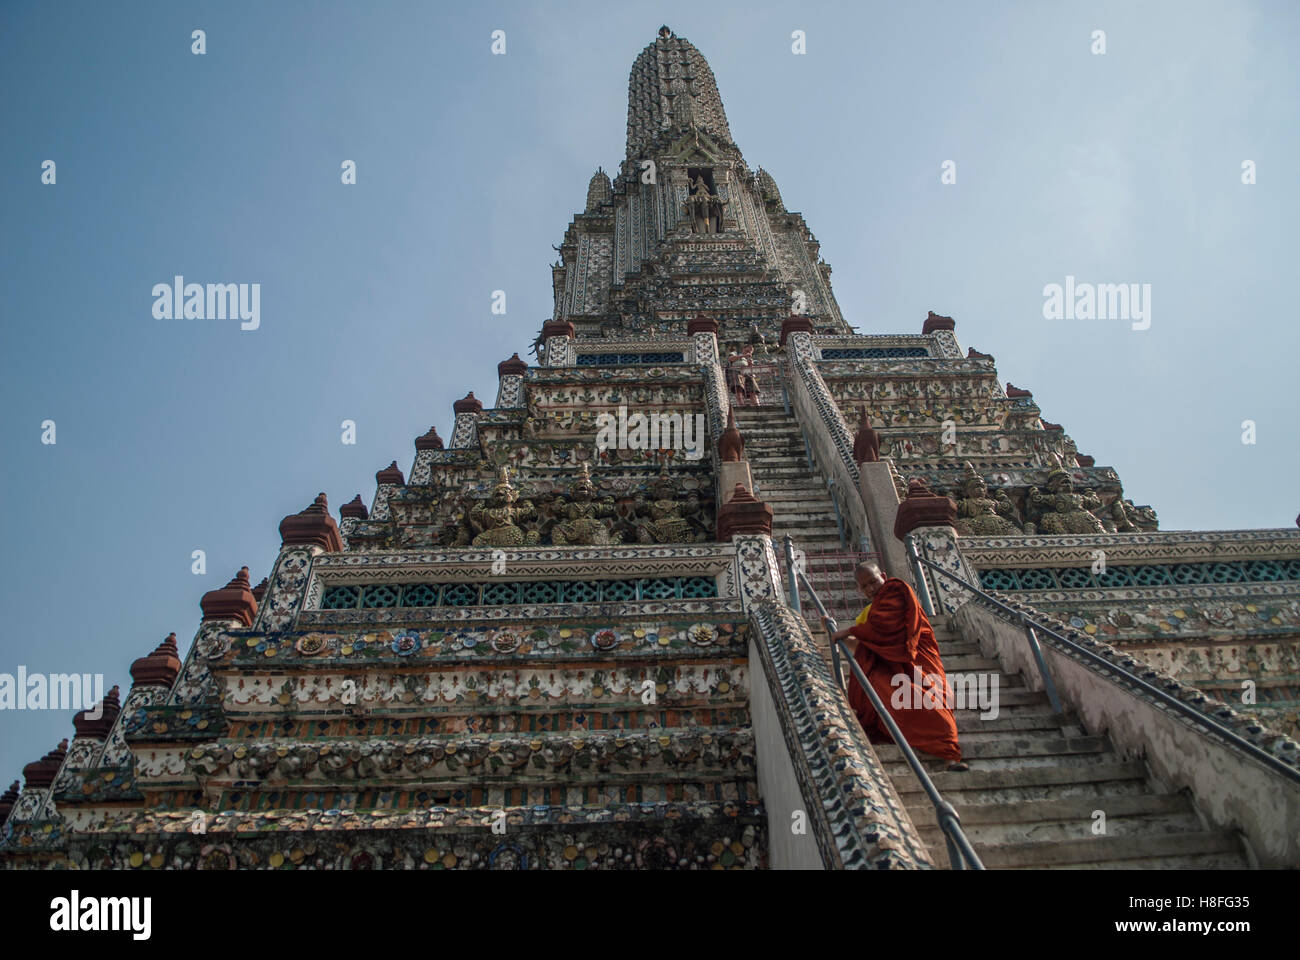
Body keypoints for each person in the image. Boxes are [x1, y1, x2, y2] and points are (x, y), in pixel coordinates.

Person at [831, 562, 968, 771]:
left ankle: (950, 756)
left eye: (873, 582)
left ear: (883, 576)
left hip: (917, 657)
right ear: (859, 589)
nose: (870, 589)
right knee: (883, 690)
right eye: (864, 586)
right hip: (892, 661)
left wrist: (849, 630)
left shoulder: (896, 590)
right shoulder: (873, 610)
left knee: (934, 702)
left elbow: (883, 626)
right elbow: (873, 634)